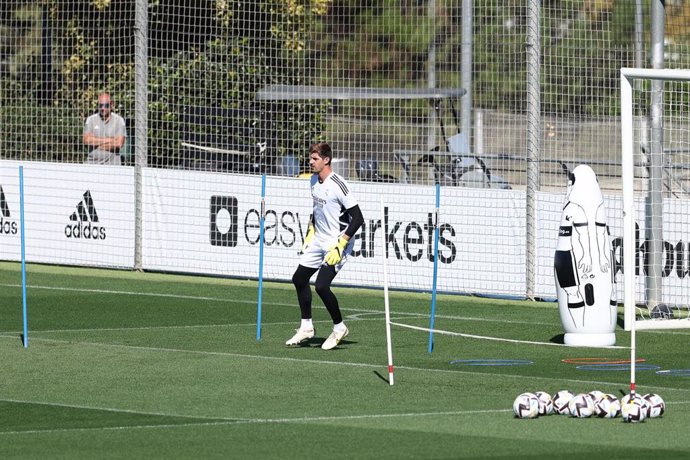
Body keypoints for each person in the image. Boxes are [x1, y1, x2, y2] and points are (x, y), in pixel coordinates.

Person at [286, 142, 364, 350]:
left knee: (321, 286)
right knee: (299, 278)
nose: (310, 162)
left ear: (326, 160)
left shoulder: (338, 184)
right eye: (310, 158)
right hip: (319, 239)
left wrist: (341, 244)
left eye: (314, 159)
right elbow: (317, 210)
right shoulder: (313, 180)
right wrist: (310, 232)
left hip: (337, 242)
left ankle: (339, 328)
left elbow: (358, 219)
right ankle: (306, 327)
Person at [83, 92, 127, 165]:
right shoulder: (91, 119)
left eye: (106, 105)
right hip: (92, 163)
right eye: (100, 105)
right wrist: (110, 140)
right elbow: (86, 140)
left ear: (111, 105)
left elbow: (119, 143)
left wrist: (97, 144)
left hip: (112, 165)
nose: (103, 108)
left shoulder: (119, 120)